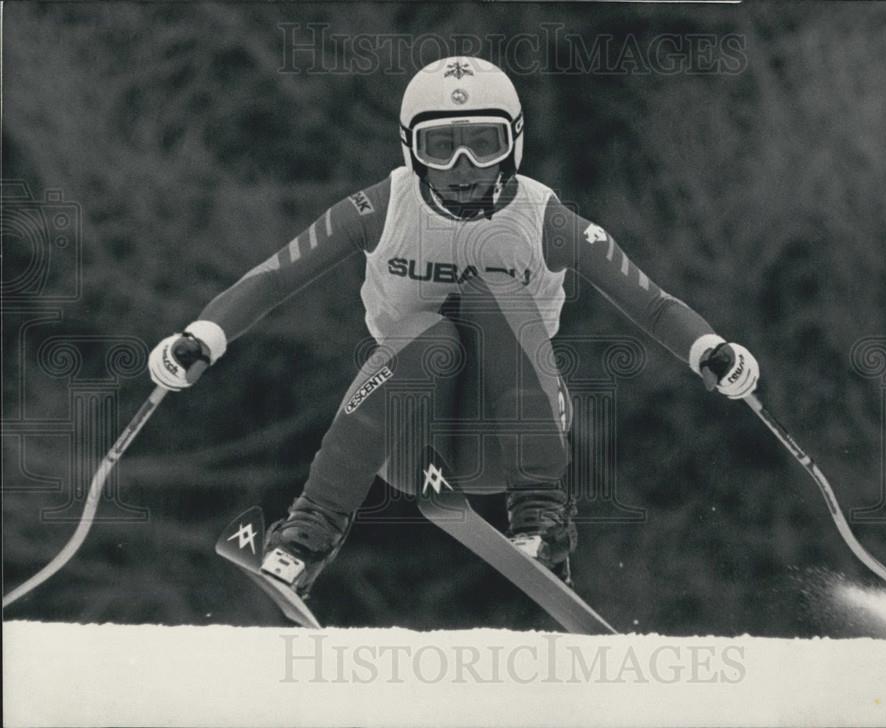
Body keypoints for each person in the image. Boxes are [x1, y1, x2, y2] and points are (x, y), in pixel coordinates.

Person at [148, 56, 759, 597]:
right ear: (411, 150)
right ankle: (306, 537)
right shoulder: (381, 209)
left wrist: (712, 350)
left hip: (518, 436)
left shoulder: (544, 218)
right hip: (407, 439)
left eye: (483, 144)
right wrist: (202, 337)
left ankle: (542, 519)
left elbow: (649, 301)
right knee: (428, 333)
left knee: (493, 296)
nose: (463, 167)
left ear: (514, 144)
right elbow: (277, 276)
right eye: (441, 147)